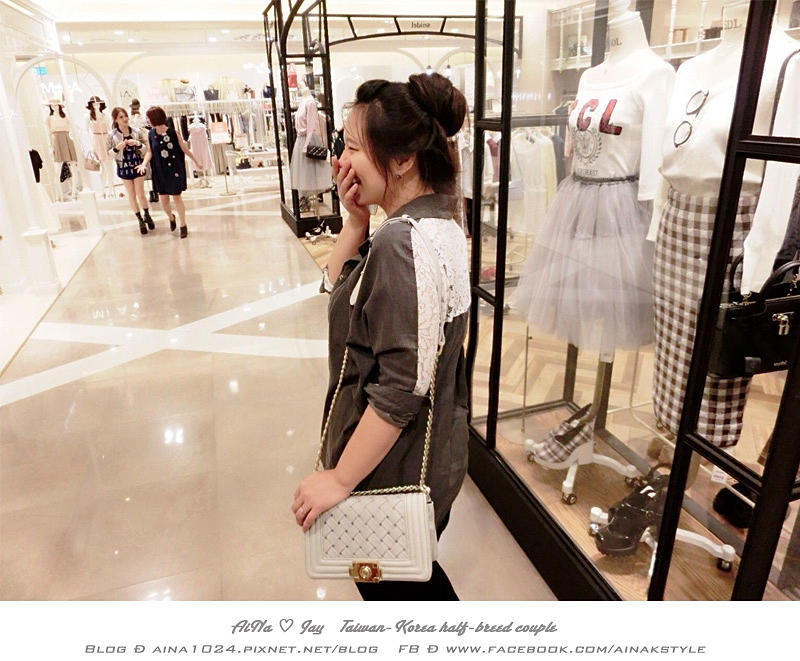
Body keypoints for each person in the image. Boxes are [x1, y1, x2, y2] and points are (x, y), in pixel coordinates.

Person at [291, 73, 470, 600]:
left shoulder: (401, 243)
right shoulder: (441, 221)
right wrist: (354, 224)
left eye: (352, 146)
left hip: (386, 472)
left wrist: (340, 479)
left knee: (400, 586)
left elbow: (398, 389)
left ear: (403, 158)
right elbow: (346, 303)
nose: (340, 160)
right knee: (412, 575)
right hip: (425, 459)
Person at [136, 106, 198, 238]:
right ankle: (171, 217)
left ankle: (183, 225)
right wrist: (143, 164)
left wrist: (196, 161)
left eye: (148, 118)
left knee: (177, 197)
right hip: (160, 171)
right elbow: (149, 151)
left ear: (154, 118)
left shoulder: (173, 132)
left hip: (174, 169)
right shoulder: (150, 134)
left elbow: (184, 149)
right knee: (164, 200)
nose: (147, 121)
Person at [109, 107, 153, 235]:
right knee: (131, 195)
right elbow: (108, 154)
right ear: (116, 120)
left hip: (137, 165)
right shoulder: (111, 135)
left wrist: (137, 144)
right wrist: (117, 148)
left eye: (125, 116)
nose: (124, 119)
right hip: (124, 167)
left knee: (141, 193)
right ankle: (140, 219)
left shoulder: (136, 131)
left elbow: (146, 150)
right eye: (121, 117)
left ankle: (147, 215)